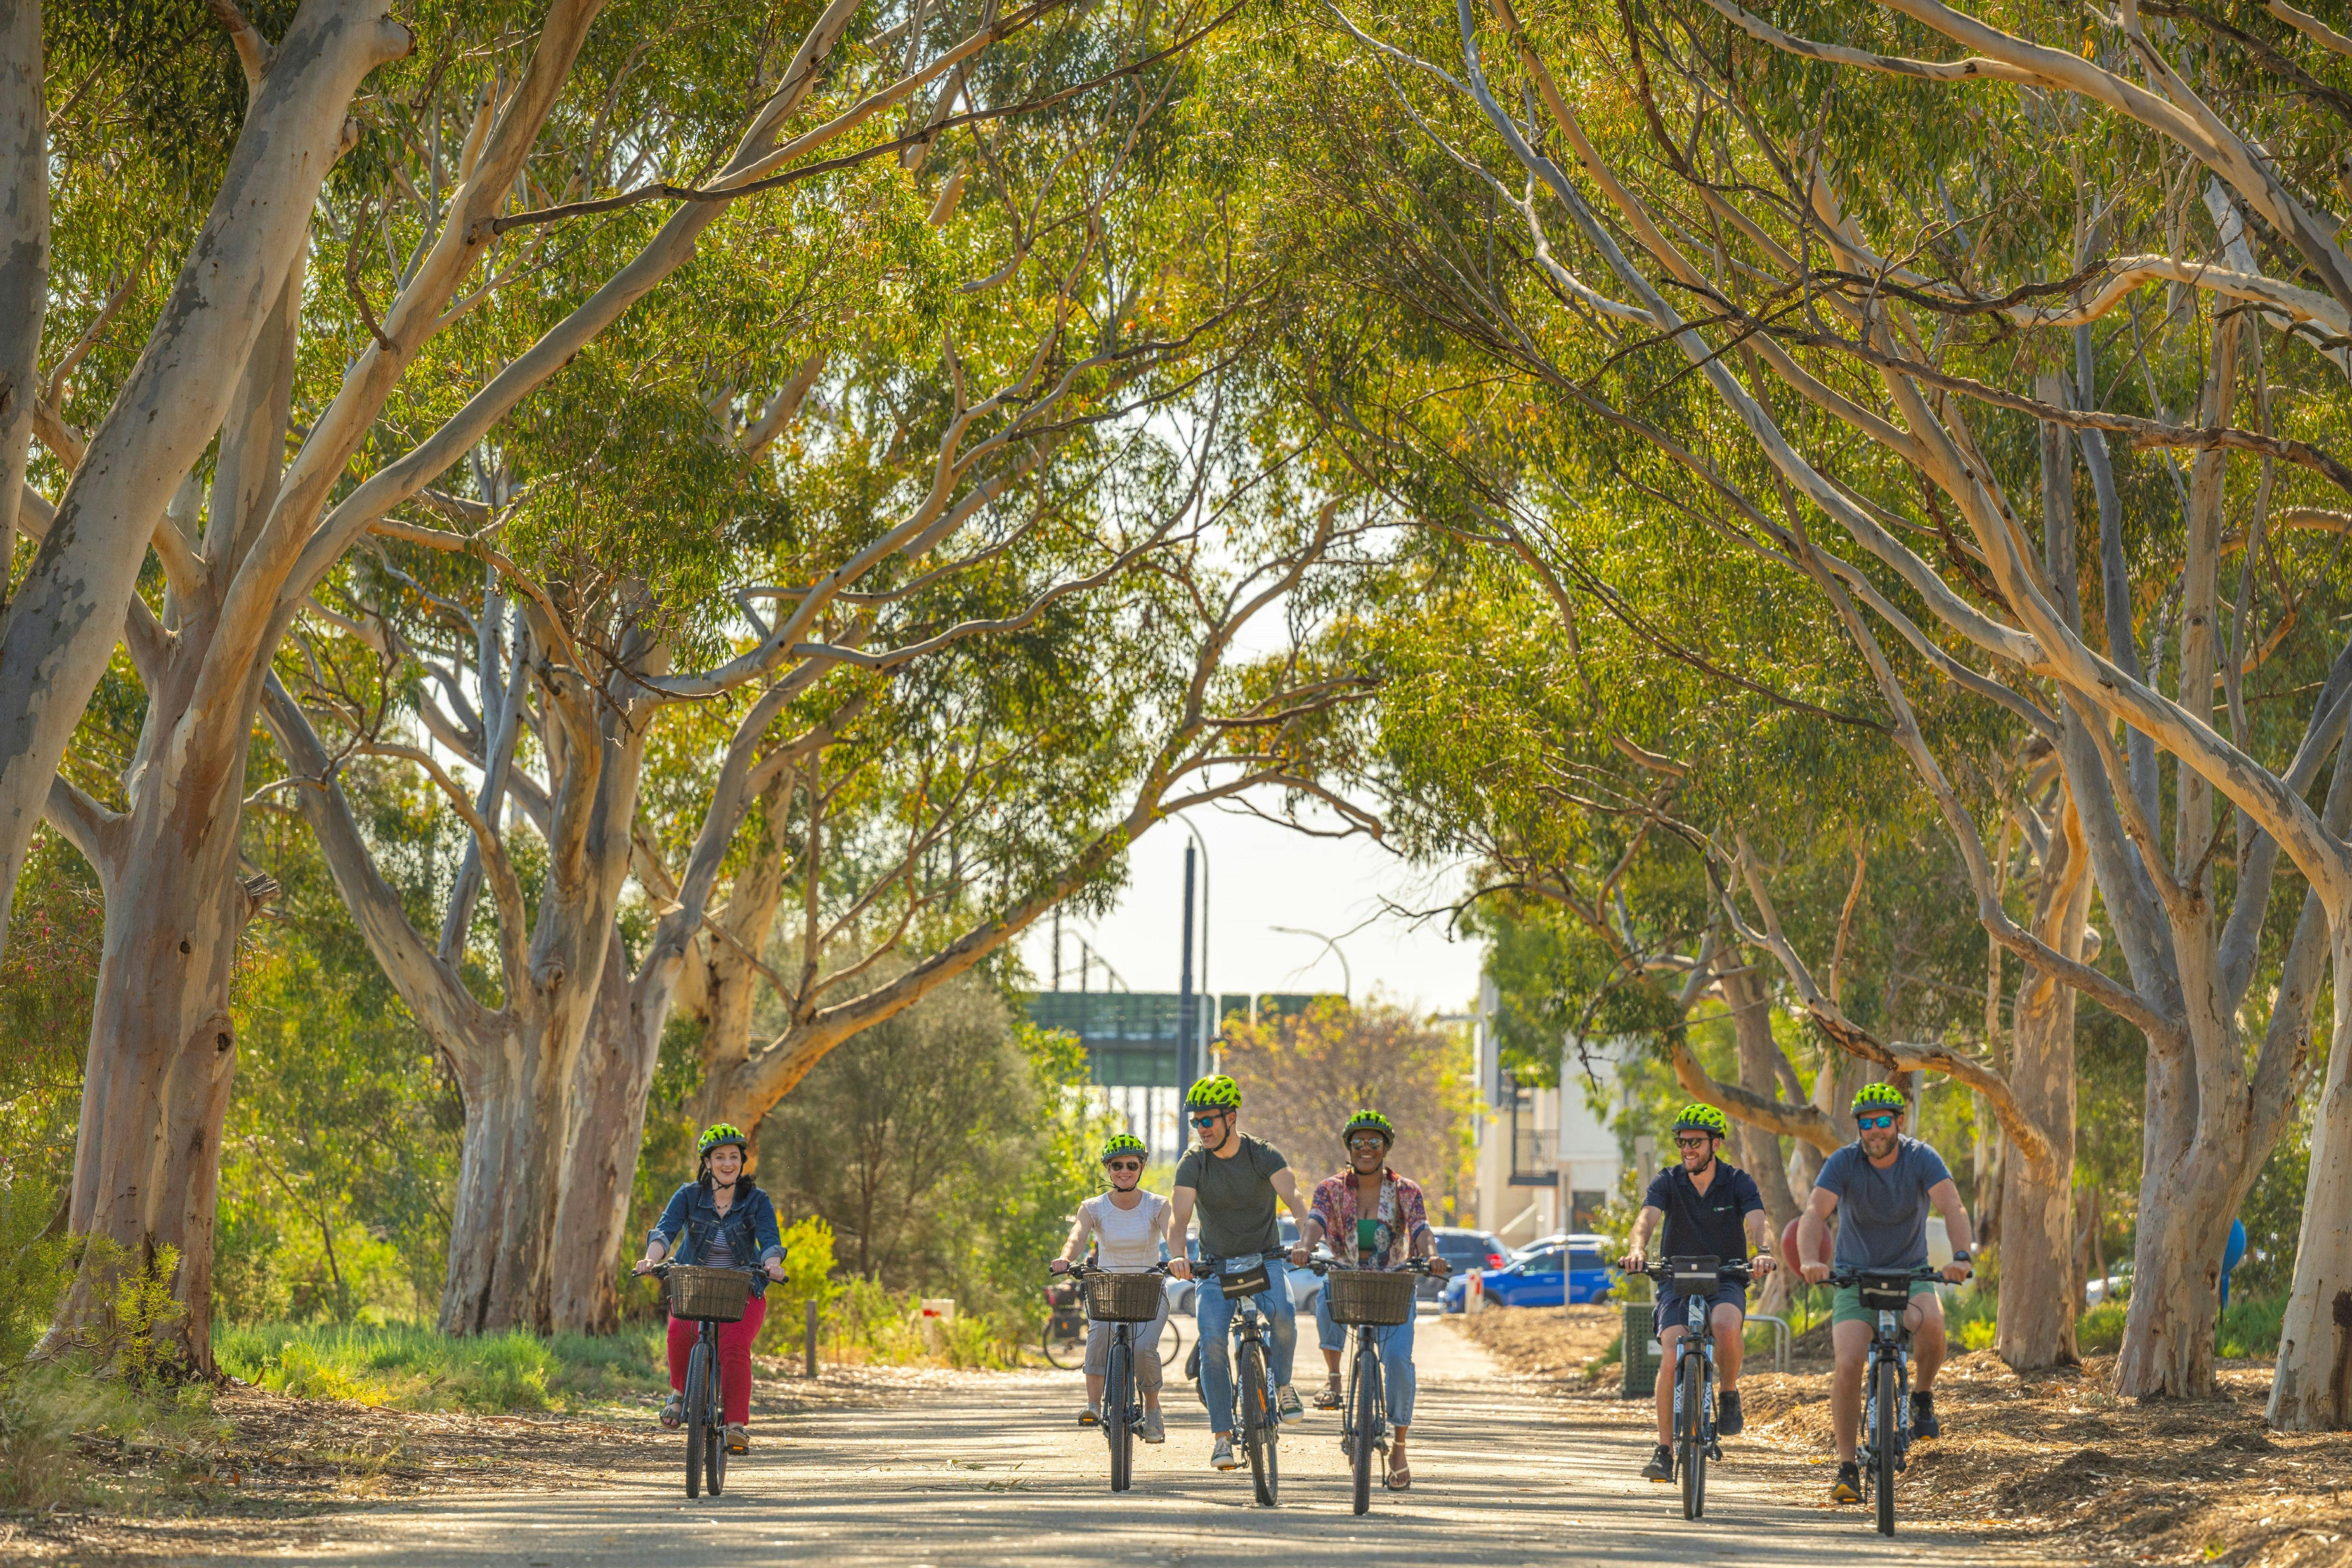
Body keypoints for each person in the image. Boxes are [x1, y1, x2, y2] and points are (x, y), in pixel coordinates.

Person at [1797, 1082, 1974, 1505]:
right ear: (1858, 1128)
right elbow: (1814, 1213)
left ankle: (1923, 1397)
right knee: (1849, 1362)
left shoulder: (1921, 1158)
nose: (1874, 1130)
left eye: (1882, 1121)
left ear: (1898, 1122)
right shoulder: (1844, 1161)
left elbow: (1953, 1206)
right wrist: (1809, 1260)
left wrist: (1962, 1257)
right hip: (1855, 1279)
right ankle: (1846, 1467)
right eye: (1865, 1123)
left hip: (1909, 1274)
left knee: (1932, 1324)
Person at [1619, 1103, 1776, 1483]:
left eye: (1695, 1142)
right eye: (1682, 1142)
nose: (1687, 1149)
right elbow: (1646, 1220)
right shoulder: (1668, 1181)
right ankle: (1664, 1449)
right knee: (1673, 1350)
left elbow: (1760, 1223)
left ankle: (1728, 1392)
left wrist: (1765, 1253)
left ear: (1716, 1144)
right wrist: (1638, 1249)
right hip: (1677, 1277)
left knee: (1724, 1324)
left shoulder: (1738, 1182)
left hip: (1726, 1276)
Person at [1297, 1109, 1451, 1493]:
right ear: (1349, 1148)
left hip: (1393, 1282)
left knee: (1399, 1360)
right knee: (1328, 1291)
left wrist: (1430, 1254)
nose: (1367, 1148)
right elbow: (1315, 1220)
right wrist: (1304, 1246)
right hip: (1348, 1277)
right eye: (1359, 1142)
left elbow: (1422, 1229)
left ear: (1386, 1147)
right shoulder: (1331, 1188)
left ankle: (1399, 1447)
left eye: (1375, 1142)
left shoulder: (1406, 1190)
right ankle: (1334, 1376)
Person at [1167, 1074, 1315, 1473]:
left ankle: (1283, 1386)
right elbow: (1179, 1220)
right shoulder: (1193, 1163)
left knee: (1284, 1315)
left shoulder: (1262, 1154)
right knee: (1213, 1342)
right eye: (1196, 1122)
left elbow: (1297, 1201)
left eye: (1209, 1120)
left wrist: (1305, 1240)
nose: (1202, 1128)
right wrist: (1178, 1256)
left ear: (1231, 1117)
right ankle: (1221, 1438)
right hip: (1214, 1266)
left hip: (1264, 1258)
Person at [633, 1123, 786, 1455]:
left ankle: (735, 1426)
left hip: (743, 1288)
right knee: (678, 1333)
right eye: (720, 1157)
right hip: (695, 1284)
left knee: (734, 1347)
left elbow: (770, 1240)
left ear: (742, 1163)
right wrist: (649, 1259)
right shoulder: (689, 1195)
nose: (728, 1163)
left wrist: (772, 1264)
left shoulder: (757, 1200)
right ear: (707, 1163)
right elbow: (664, 1232)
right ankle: (679, 1392)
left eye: (734, 1157)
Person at [1050, 1132, 1174, 1443]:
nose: (1124, 1171)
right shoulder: (1094, 1207)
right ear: (1108, 1169)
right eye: (1117, 1165)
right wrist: (1066, 1258)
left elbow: (1174, 1235)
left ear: (1142, 1167)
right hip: (1108, 1290)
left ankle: (1153, 1410)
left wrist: (1179, 1259)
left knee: (1145, 1348)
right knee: (1098, 1336)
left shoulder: (1158, 1205)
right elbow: (1077, 1236)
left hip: (1148, 1289)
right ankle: (1093, 1404)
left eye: (1132, 1165)